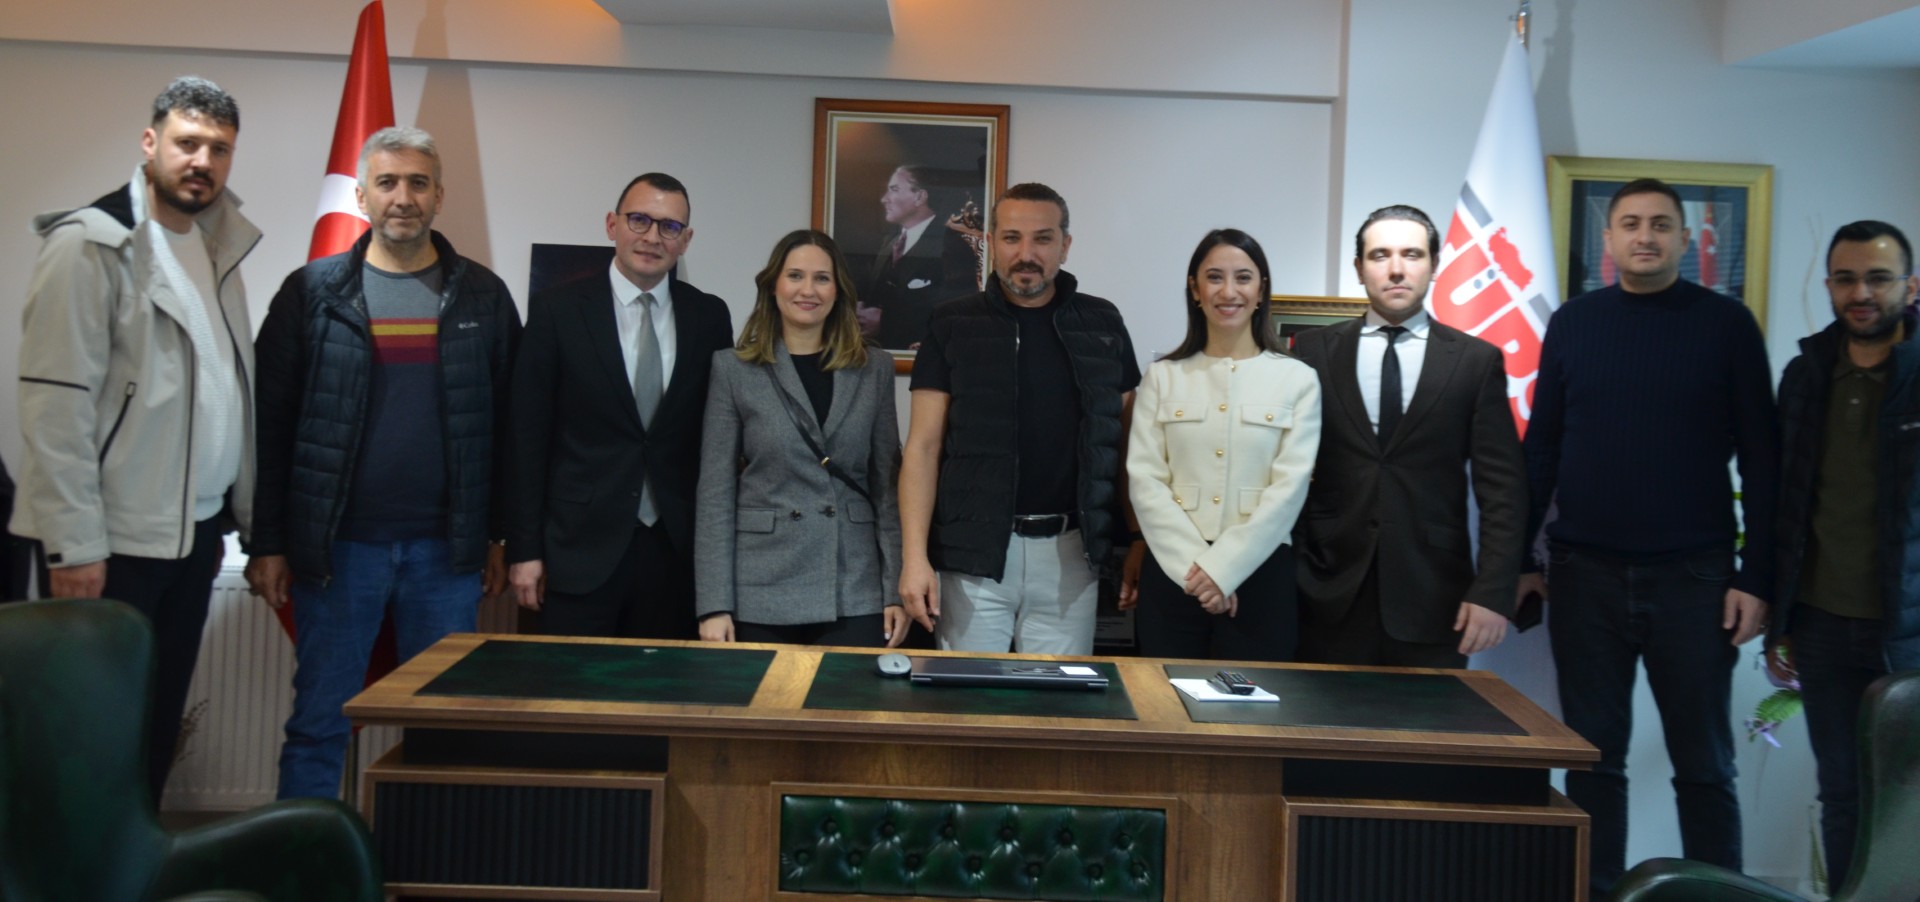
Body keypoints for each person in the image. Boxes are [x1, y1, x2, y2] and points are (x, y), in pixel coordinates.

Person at [1520, 177, 1778, 895]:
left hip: (1696, 581)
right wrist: (1519, 560)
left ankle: (1717, 896)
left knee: (1705, 766)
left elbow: (1764, 461)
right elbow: (1542, 449)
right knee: (1594, 762)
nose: (1645, 236)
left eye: (1661, 224)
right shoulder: (1574, 322)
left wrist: (1756, 576)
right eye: (1631, 223)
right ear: (1608, 239)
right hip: (1584, 575)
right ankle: (1600, 892)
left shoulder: (1727, 325)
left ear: (1684, 239)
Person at [247, 127, 521, 800]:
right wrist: (268, 541)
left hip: (445, 557)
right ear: (362, 196)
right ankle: (309, 855)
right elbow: (270, 428)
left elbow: (509, 429)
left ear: (439, 196)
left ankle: (427, 857)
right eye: (388, 183)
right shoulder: (310, 293)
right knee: (319, 723)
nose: (404, 197)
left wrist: (499, 535)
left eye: (418, 183)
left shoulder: (483, 296)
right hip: (338, 553)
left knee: (444, 728)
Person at [12, 76, 258, 804]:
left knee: (150, 734)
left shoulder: (217, 247)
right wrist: (73, 545)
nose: (202, 161)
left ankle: (132, 863)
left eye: (219, 149)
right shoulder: (90, 244)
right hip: (110, 544)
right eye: (188, 143)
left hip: (195, 534)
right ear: (150, 143)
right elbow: (55, 406)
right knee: (87, 738)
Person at [898, 182, 1140, 656]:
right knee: (967, 696)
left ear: (1065, 246)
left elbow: (1129, 447)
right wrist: (914, 558)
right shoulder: (951, 322)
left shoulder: (1103, 323)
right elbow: (923, 448)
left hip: (1072, 555)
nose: (1026, 254)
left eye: (1042, 239)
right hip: (972, 555)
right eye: (1012, 238)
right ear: (991, 243)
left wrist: (1137, 537)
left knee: (1057, 699)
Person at [1291, 205, 1525, 668]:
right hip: (1325, 591)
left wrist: (1493, 590)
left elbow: (1503, 488)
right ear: (1359, 268)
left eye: (1412, 254)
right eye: (1380, 255)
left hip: (1435, 596)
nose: (1396, 269)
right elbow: (1286, 469)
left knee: (1428, 718)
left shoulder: (1475, 361)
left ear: (1435, 264)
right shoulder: (1313, 351)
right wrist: (1294, 569)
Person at [506, 173, 734, 638]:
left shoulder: (709, 316)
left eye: (669, 227)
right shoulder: (557, 310)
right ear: (612, 224)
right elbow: (526, 438)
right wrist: (524, 549)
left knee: (663, 684)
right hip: (576, 551)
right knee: (570, 683)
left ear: (686, 240)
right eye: (639, 220)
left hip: (674, 554)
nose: (653, 237)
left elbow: (716, 439)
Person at [1769, 219, 1920, 889]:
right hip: (1822, 626)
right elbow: (1786, 504)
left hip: (1909, 630)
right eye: (1847, 279)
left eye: (1878, 278)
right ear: (1829, 286)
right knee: (1841, 793)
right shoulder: (1805, 377)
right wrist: (1781, 620)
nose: (1862, 293)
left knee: (1909, 800)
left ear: (1910, 287)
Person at [694, 229, 906, 647]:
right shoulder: (734, 369)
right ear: (773, 285)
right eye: (795, 276)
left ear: (838, 291)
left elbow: (886, 487)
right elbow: (715, 493)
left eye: (822, 278)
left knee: (849, 693)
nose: (808, 290)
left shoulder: (874, 369)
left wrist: (893, 590)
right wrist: (714, 604)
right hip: (761, 583)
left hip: (854, 584)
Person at [1124, 229, 1320, 660]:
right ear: (1195, 289)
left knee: (1257, 700)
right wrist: (1199, 573)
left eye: (1243, 278)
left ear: (1261, 290)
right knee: (1164, 697)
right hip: (1174, 574)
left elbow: (1288, 490)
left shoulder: (1298, 380)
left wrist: (1224, 570)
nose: (1228, 291)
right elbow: (1145, 480)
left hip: (1261, 575)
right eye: (1214, 277)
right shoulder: (1163, 377)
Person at [859, 164, 981, 349]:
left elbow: (958, 310)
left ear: (920, 197)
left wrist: (886, 321)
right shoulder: (889, 243)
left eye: (894, 189)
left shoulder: (953, 245)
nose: (884, 199)